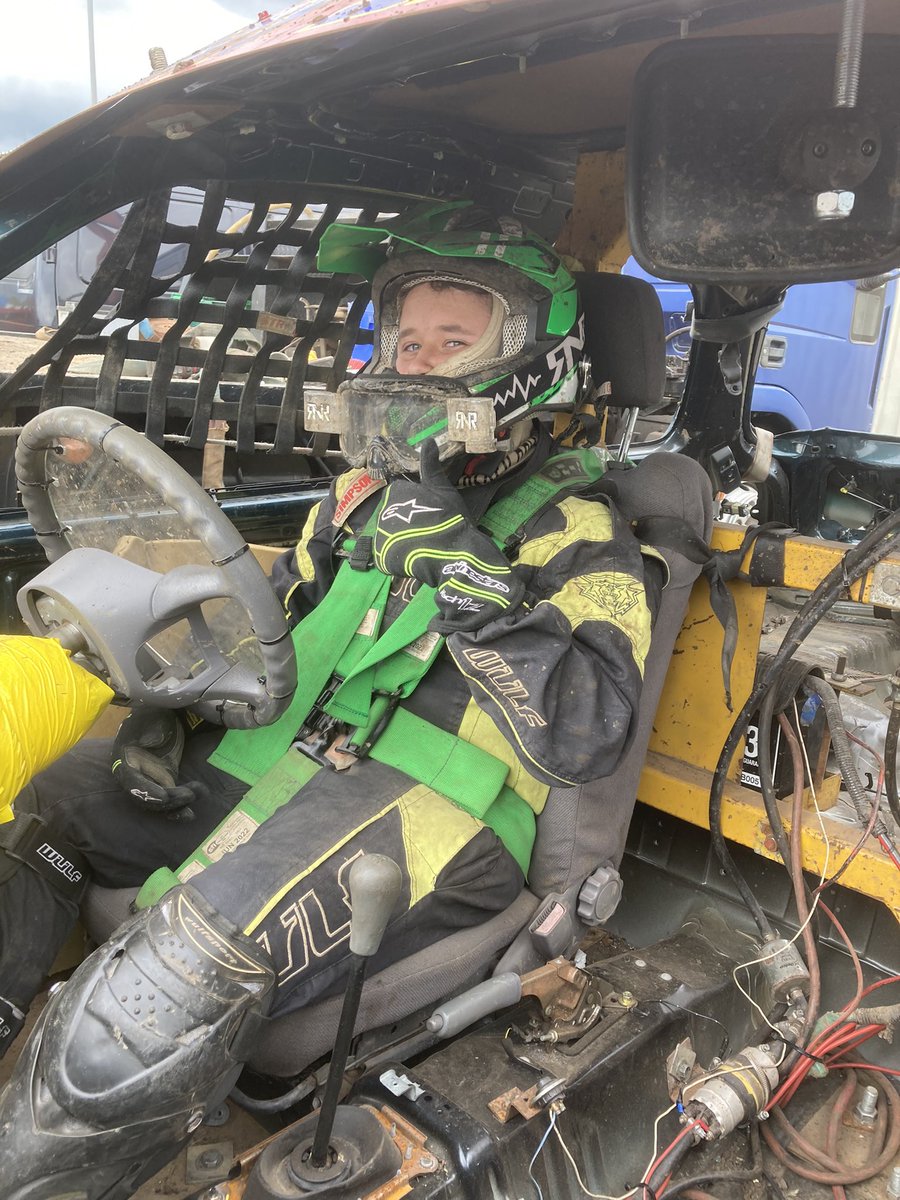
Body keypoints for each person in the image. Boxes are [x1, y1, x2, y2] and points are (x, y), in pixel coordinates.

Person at [0, 201, 666, 1198]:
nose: (421, 360)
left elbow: (586, 730)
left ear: (531, 357)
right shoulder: (353, 499)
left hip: (441, 812)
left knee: (185, 961)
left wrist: (464, 573)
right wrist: (167, 708)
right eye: (406, 336)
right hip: (282, 759)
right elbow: (276, 627)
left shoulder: (581, 527)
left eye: (454, 339)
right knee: (47, 806)